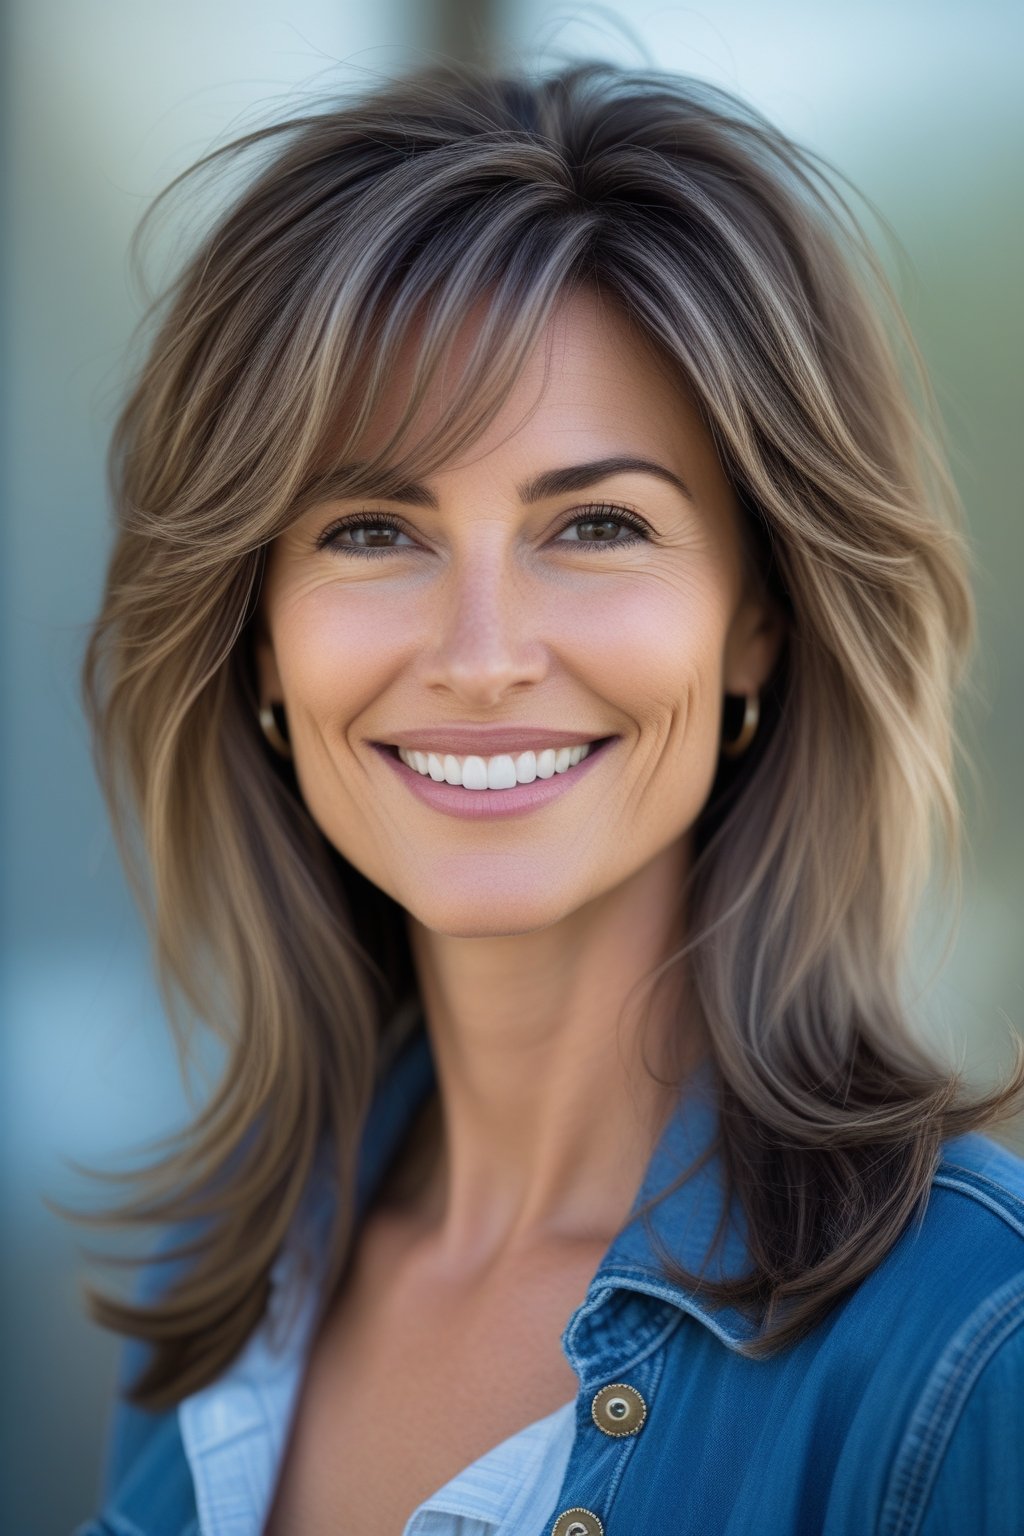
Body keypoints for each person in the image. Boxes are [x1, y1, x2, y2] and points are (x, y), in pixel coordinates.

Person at [67, 56, 1024, 1536]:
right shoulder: (223, 1289)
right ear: (257, 636)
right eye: (375, 529)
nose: (483, 656)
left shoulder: (974, 1355)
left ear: (758, 619)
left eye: (596, 522)